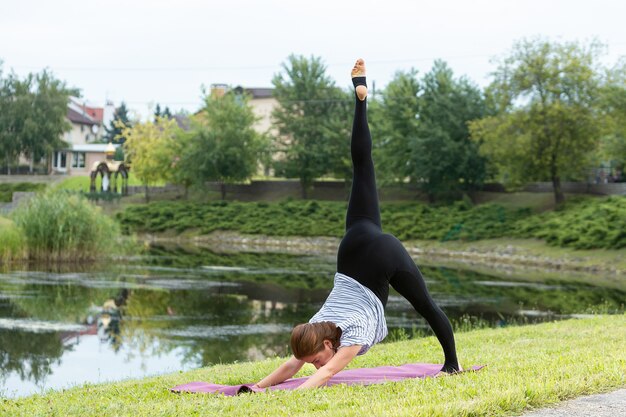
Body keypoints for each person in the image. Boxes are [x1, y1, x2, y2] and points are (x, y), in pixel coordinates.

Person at [254, 59, 461, 391]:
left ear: (325, 346)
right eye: (313, 362)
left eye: (317, 359)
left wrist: (281, 397)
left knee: (425, 305)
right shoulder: (315, 330)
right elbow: (296, 364)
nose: (314, 365)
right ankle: (360, 97)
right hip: (354, 245)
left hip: (378, 254)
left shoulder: (346, 334)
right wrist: (257, 387)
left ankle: (453, 365)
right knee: (363, 167)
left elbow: (325, 375)